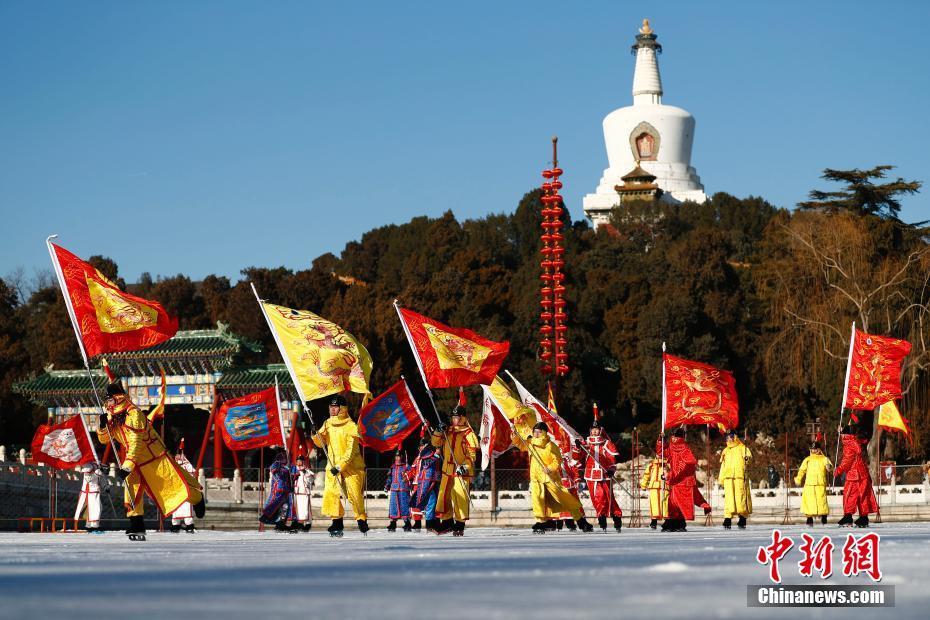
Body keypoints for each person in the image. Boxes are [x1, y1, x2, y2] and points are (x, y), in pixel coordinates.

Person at [96, 361, 204, 537]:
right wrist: (102, 426)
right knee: (131, 488)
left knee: (173, 487)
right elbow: (104, 440)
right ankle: (136, 522)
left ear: (118, 398)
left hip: (153, 457)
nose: (107, 403)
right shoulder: (111, 416)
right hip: (133, 459)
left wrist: (127, 466)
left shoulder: (134, 414)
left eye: (109, 399)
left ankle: (197, 498)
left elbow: (136, 443)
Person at [519, 422, 593, 533]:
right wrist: (514, 433)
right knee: (538, 499)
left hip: (550, 477)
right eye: (535, 432)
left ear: (544, 433)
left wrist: (550, 468)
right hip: (536, 477)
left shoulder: (550, 445)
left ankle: (581, 521)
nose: (536, 434)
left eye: (539, 432)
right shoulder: (530, 443)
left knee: (563, 498)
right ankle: (541, 522)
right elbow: (519, 443)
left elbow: (557, 460)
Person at [311, 394, 368, 536]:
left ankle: (361, 520)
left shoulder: (351, 426)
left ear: (342, 409)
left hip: (352, 467)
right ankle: (336, 522)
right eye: (331, 407)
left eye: (335, 407)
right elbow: (321, 443)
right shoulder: (328, 423)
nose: (332, 409)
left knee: (354, 494)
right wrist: (314, 434)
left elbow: (351, 451)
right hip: (332, 465)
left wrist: (340, 467)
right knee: (331, 493)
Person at [430, 404, 478, 536]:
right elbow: (435, 443)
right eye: (453, 417)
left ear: (462, 417)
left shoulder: (468, 433)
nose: (454, 419)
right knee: (443, 496)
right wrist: (438, 431)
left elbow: (471, 455)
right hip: (447, 468)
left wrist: (465, 466)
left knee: (459, 497)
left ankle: (459, 524)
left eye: (457, 417)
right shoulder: (448, 430)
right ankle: (446, 522)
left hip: (460, 470)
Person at [576, 412, 622, 532]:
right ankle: (601, 518)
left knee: (608, 497)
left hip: (605, 474)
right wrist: (578, 447)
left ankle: (616, 517)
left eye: (596, 429)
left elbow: (612, 459)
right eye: (593, 430)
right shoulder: (586, 443)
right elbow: (578, 457)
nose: (594, 432)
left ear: (600, 430)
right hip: (591, 475)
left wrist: (611, 470)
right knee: (597, 497)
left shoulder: (606, 443)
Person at [663, 427, 711, 532]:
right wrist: (660, 441)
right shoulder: (672, 447)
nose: (673, 438)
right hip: (676, 482)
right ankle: (672, 524)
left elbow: (689, 462)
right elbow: (662, 452)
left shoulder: (684, 449)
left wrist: (671, 474)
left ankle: (678, 524)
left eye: (675, 436)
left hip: (683, 482)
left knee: (680, 505)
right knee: (673, 504)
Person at [835, 423, 879, 528]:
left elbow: (847, 461)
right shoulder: (855, 442)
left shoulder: (848, 444)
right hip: (862, 473)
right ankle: (863, 517)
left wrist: (839, 470)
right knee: (862, 495)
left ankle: (848, 516)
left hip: (853, 475)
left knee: (849, 495)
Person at [718, 430, 753, 530]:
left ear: (735, 437)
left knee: (741, 497)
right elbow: (723, 465)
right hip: (728, 478)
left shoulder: (743, 448)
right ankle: (727, 518)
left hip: (740, 477)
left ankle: (742, 518)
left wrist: (747, 459)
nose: (729, 439)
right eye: (727, 438)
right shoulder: (725, 450)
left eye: (730, 437)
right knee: (729, 499)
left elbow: (749, 459)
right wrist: (721, 478)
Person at [794, 441, 832, 526]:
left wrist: (829, 467)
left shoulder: (824, 458)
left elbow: (829, 467)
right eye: (812, 449)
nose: (813, 451)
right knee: (809, 503)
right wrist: (798, 479)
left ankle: (824, 517)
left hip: (820, 484)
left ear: (818, 449)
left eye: (815, 449)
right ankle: (809, 519)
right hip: (809, 484)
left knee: (821, 502)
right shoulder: (807, 459)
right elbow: (802, 470)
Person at [410, 432, 442, 532]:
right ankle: (418, 522)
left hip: (432, 481)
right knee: (418, 503)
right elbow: (413, 470)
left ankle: (433, 523)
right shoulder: (418, 458)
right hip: (419, 482)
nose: (421, 448)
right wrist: (408, 476)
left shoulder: (432, 454)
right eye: (420, 446)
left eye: (422, 445)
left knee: (433, 503)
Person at [259, 451, 296, 531]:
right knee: (274, 504)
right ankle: (265, 516)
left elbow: (295, 474)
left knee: (285, 507)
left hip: (287, 490)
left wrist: (292, 472)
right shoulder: (276, 464)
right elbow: (273, 470)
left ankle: (281, 524)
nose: (285, 459)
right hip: (278, 489)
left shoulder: (290, 465)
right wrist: (281, 466)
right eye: (283, 458)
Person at [170, 438, 198, 533]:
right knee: (175, 509)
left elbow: (192, 474)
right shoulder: (173, 464)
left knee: (186, 508)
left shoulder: (186, 464)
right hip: (176, 490)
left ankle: (189, 525)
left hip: (185, 489)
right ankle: (175, 526)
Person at [640, 437, 669, 529]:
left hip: (665, 486)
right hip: (653, 486)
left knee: (665, 504)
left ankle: (667, 520)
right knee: (654, 504)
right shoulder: (652, 464)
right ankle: (654, 521)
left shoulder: (668, 465)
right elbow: (646, 474)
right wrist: (643, 484)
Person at [385, 450, 412, 532]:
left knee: (404, 506)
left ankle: (407, 523)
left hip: (404, 489)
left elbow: (411, 476)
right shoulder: (393, 467)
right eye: (396, 456)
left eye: (399, 456)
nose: (398, 458)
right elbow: (390, 478)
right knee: (394, 507)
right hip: (394, 489)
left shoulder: (406, 467)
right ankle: (393, 523)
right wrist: (387, 486)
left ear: (402, 457)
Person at [75, 462, 104, 533]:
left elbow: (101, 477)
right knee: (95, 509)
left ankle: (90, 525)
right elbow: (89, 478)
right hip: (89, 492)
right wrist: (97, 472)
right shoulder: (88, 465)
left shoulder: (95, 464)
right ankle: (93, 526)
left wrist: (101, 469)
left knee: (95, 508)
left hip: (94, 491)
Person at [293, 454, 315, 532]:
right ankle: (299, 524)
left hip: (305, 492)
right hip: (297, 492)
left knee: (306, 509)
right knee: (298, 509)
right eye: (298, 461)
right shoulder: (293, 469)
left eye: (300, 461)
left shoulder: (306, 470)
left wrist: (306, 474)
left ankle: (308, 524)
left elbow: (311, 480)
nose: (299, 462)